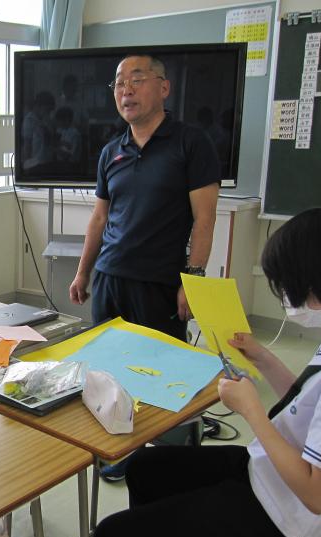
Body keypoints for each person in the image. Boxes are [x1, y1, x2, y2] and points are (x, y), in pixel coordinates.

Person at [93, 205, 321, 537]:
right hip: (271, 478)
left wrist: (252, 411)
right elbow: (307, 402)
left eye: (293, 286)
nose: (290, 298)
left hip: (300, 533)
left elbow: (319, 496)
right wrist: (262, 357)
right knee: (145, 468)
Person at [69, 54, 220, 342]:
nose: (127, 90)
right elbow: (99, 218)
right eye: (119, 83)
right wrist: (82, 273)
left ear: (164, 88)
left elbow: (205, 218)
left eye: (137, 80)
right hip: (109, 277)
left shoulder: (192, 143)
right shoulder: (111, 152)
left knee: (158, 362)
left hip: (158, 283)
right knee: (106, 358)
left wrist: (193, 282)